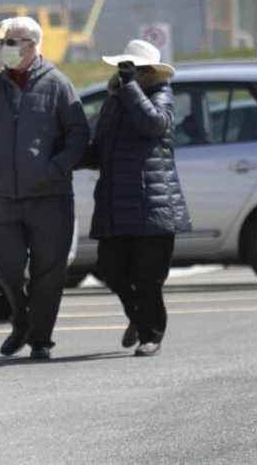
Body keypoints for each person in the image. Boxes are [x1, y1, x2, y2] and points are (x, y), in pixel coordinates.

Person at [0, 16, 90, 360]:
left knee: (48, 272)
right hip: (6, 197)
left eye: (11, 41)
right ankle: (22, 318)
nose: (4, 47)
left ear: (32, 45)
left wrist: (56, 168)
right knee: (3, 260)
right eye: (4, 41)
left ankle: (40, 339)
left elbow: (79, 134)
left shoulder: (58, 84)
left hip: (50, 197)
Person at [83, 39, 192, 357]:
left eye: (134, 69)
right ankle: (137, 317)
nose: (126, 73)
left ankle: (151, 334)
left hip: (152, 203)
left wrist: (130, 87)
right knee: (111, 269)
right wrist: (67, 157)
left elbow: (154, 124)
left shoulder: (161, 95)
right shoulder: (115, 99)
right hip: (115, 202)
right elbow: (101, 146)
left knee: (148, 277)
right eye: (123, 68)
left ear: (149, 72)